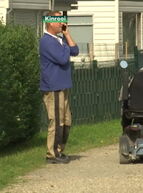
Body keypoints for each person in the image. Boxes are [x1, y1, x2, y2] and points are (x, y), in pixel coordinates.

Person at [40, 11, 79, 164]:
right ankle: (52, 154)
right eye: (59, 20)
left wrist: (67, 35)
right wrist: (66, 46)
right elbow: (63, 59)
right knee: (56, 121)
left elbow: (75, 51)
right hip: (53, 87)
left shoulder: (59, 39)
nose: (62, 23)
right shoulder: (47, 41)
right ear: (50, 22)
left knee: (66, 120)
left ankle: (59, 150)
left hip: (63, 86)